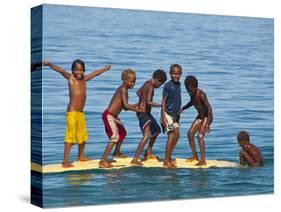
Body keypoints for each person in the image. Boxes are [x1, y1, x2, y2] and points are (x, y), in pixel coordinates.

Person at [43, 60, 111, 168]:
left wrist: (104, 69)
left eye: (81, 70)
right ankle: (65, 161)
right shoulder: (71, 78)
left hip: (80, 113)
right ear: (73, 70)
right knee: (70, 137)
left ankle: (80, 156)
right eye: (77, 70)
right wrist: (49, 64)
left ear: (84, 70)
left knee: (82, 136)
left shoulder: (85, 79)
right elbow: (60, 70)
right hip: (72, 113)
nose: (79, 72)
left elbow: (95, 73)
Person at [99, 69, 144, 168]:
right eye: (131, 81)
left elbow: (125, 107)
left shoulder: (125, 91)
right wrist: (139, 110)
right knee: (114, 137)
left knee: (122, 132)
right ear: (124, 80)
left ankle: (117, 152)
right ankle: (102, 161)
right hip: (109, 115)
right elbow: (127, 106)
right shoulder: (122, 89)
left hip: (114, 116)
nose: (133, 83)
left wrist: (138, 105)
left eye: (134, 81)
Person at [131, 69, 167, 166]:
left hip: (146, 113)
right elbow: (148, 102)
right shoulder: (150, 87)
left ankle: (148, 153)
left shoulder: (146, 83)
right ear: (158, 80)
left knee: (157, 130)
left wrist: (141, 100)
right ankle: (135, 159)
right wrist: (161, 105)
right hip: (143, 114)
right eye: (161, 84)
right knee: (147, 135)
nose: (159, 87)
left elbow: (138, 93)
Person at [181, 75, 213, 166]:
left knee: (199, 136)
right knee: (190, 134)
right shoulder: (192, 93)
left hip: (207, 116)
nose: (189, 92)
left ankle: (203, 160)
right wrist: (184, 108)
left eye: (190, 90)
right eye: (187, 90)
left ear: (196, 87)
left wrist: (207, 124)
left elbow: (209, 109)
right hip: (200, 116)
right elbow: (192, 102)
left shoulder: (201, 95)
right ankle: (194, 156)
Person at [161, 64, 182, 168]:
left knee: (177, 135)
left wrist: (178, 114)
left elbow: (177, 99)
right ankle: (166, 161)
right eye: (174, 73)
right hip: (168, 114)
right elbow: (163, 101)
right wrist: (163, 116)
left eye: (178, 74)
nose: (176, 76)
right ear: (170, 74)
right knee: (171, 135)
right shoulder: (168, 85)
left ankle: (169, 156)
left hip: (176, 115)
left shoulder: (179, 85)